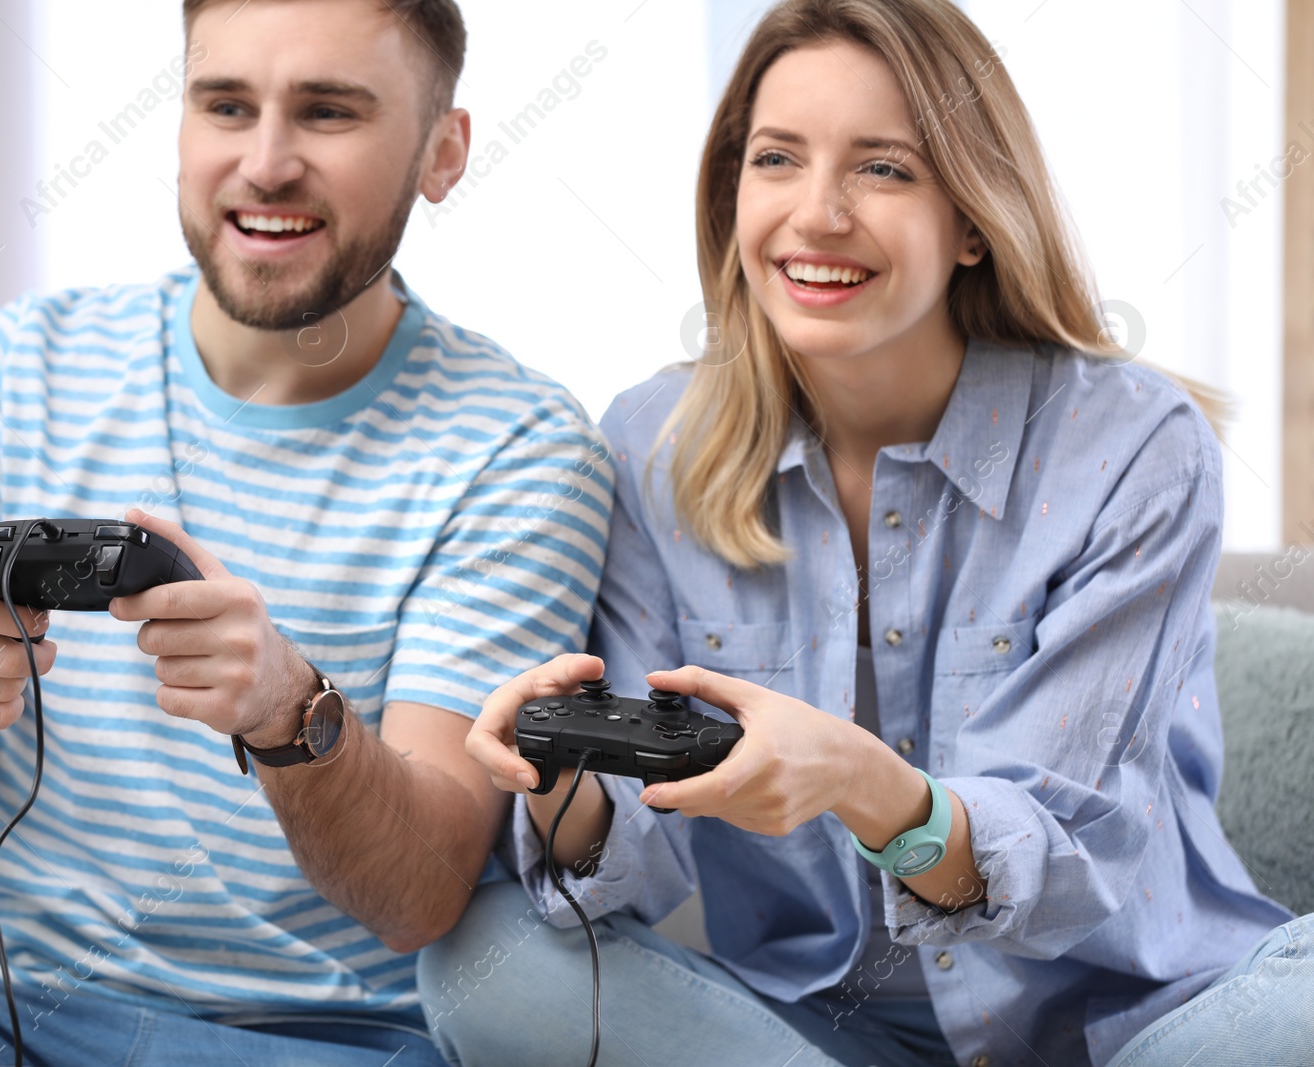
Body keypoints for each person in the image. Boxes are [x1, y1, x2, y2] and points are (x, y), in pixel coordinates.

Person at [0, 1, 611, 1064]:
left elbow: (416, 898)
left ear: (441, 152)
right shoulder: (2, 374)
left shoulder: (520, 445)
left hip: (331, 1041)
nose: (265, 164)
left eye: (327, 112)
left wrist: (290, 710)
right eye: (225, 105)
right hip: (14, 1020)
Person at [424, 1, 1313, 1065]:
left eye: (882, 169)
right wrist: (563, 775)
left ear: (974, 217)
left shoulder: (1127, 444)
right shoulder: (652, 442)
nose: (816, 214)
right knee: (488, 954)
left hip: (1138, 1024)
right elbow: (629, 861)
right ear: (732, 195)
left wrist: (864, 782)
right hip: (818, 1037)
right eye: (776, 160)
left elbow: (1066, 861)